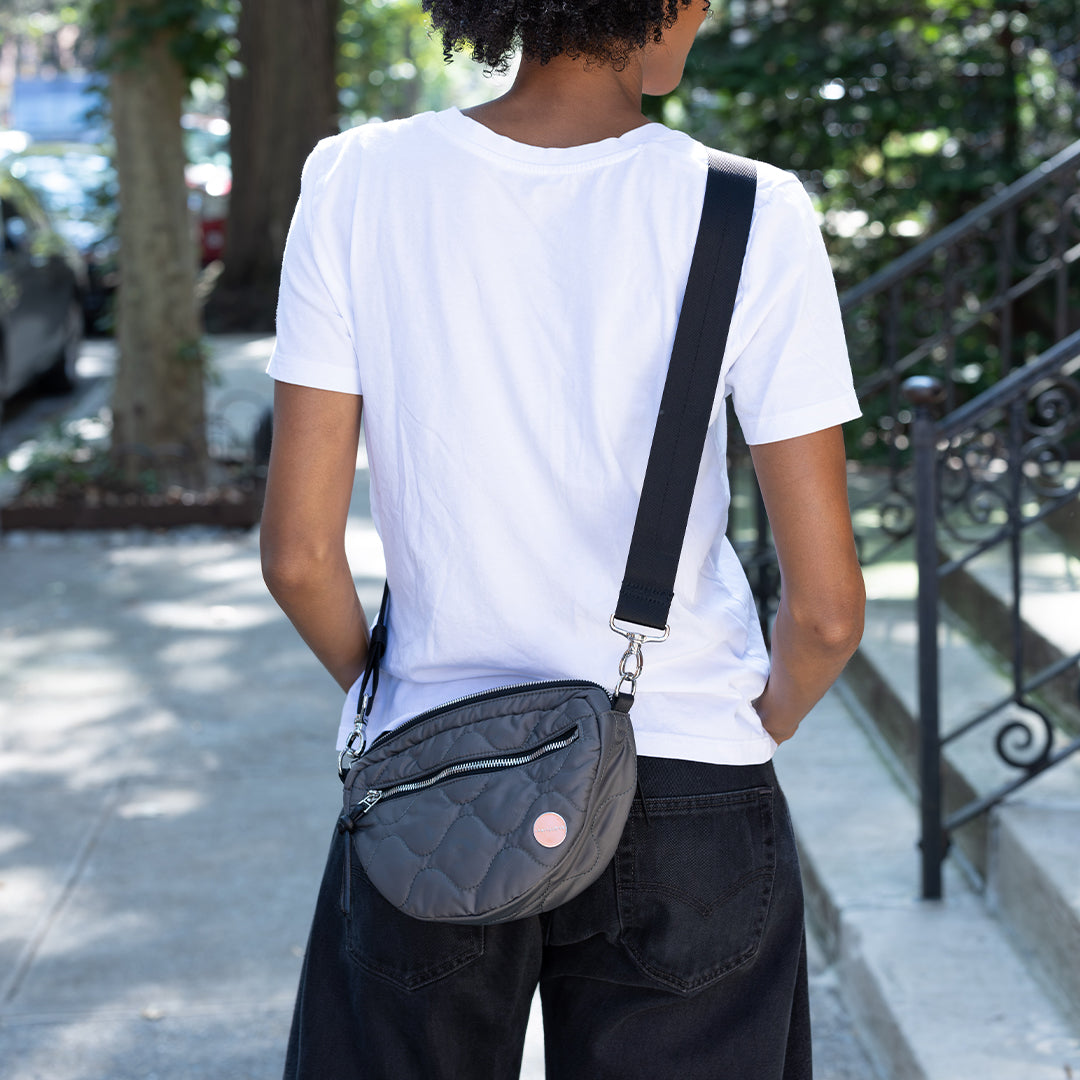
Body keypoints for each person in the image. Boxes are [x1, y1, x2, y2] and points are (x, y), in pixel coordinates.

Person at [260, 1, 865, 1077]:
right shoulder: (750, 209)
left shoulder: (358, 180)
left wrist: (390, 695)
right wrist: (743, 727)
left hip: (433, 776)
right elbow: (824, 614)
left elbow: (300, 558)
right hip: (685, 775)